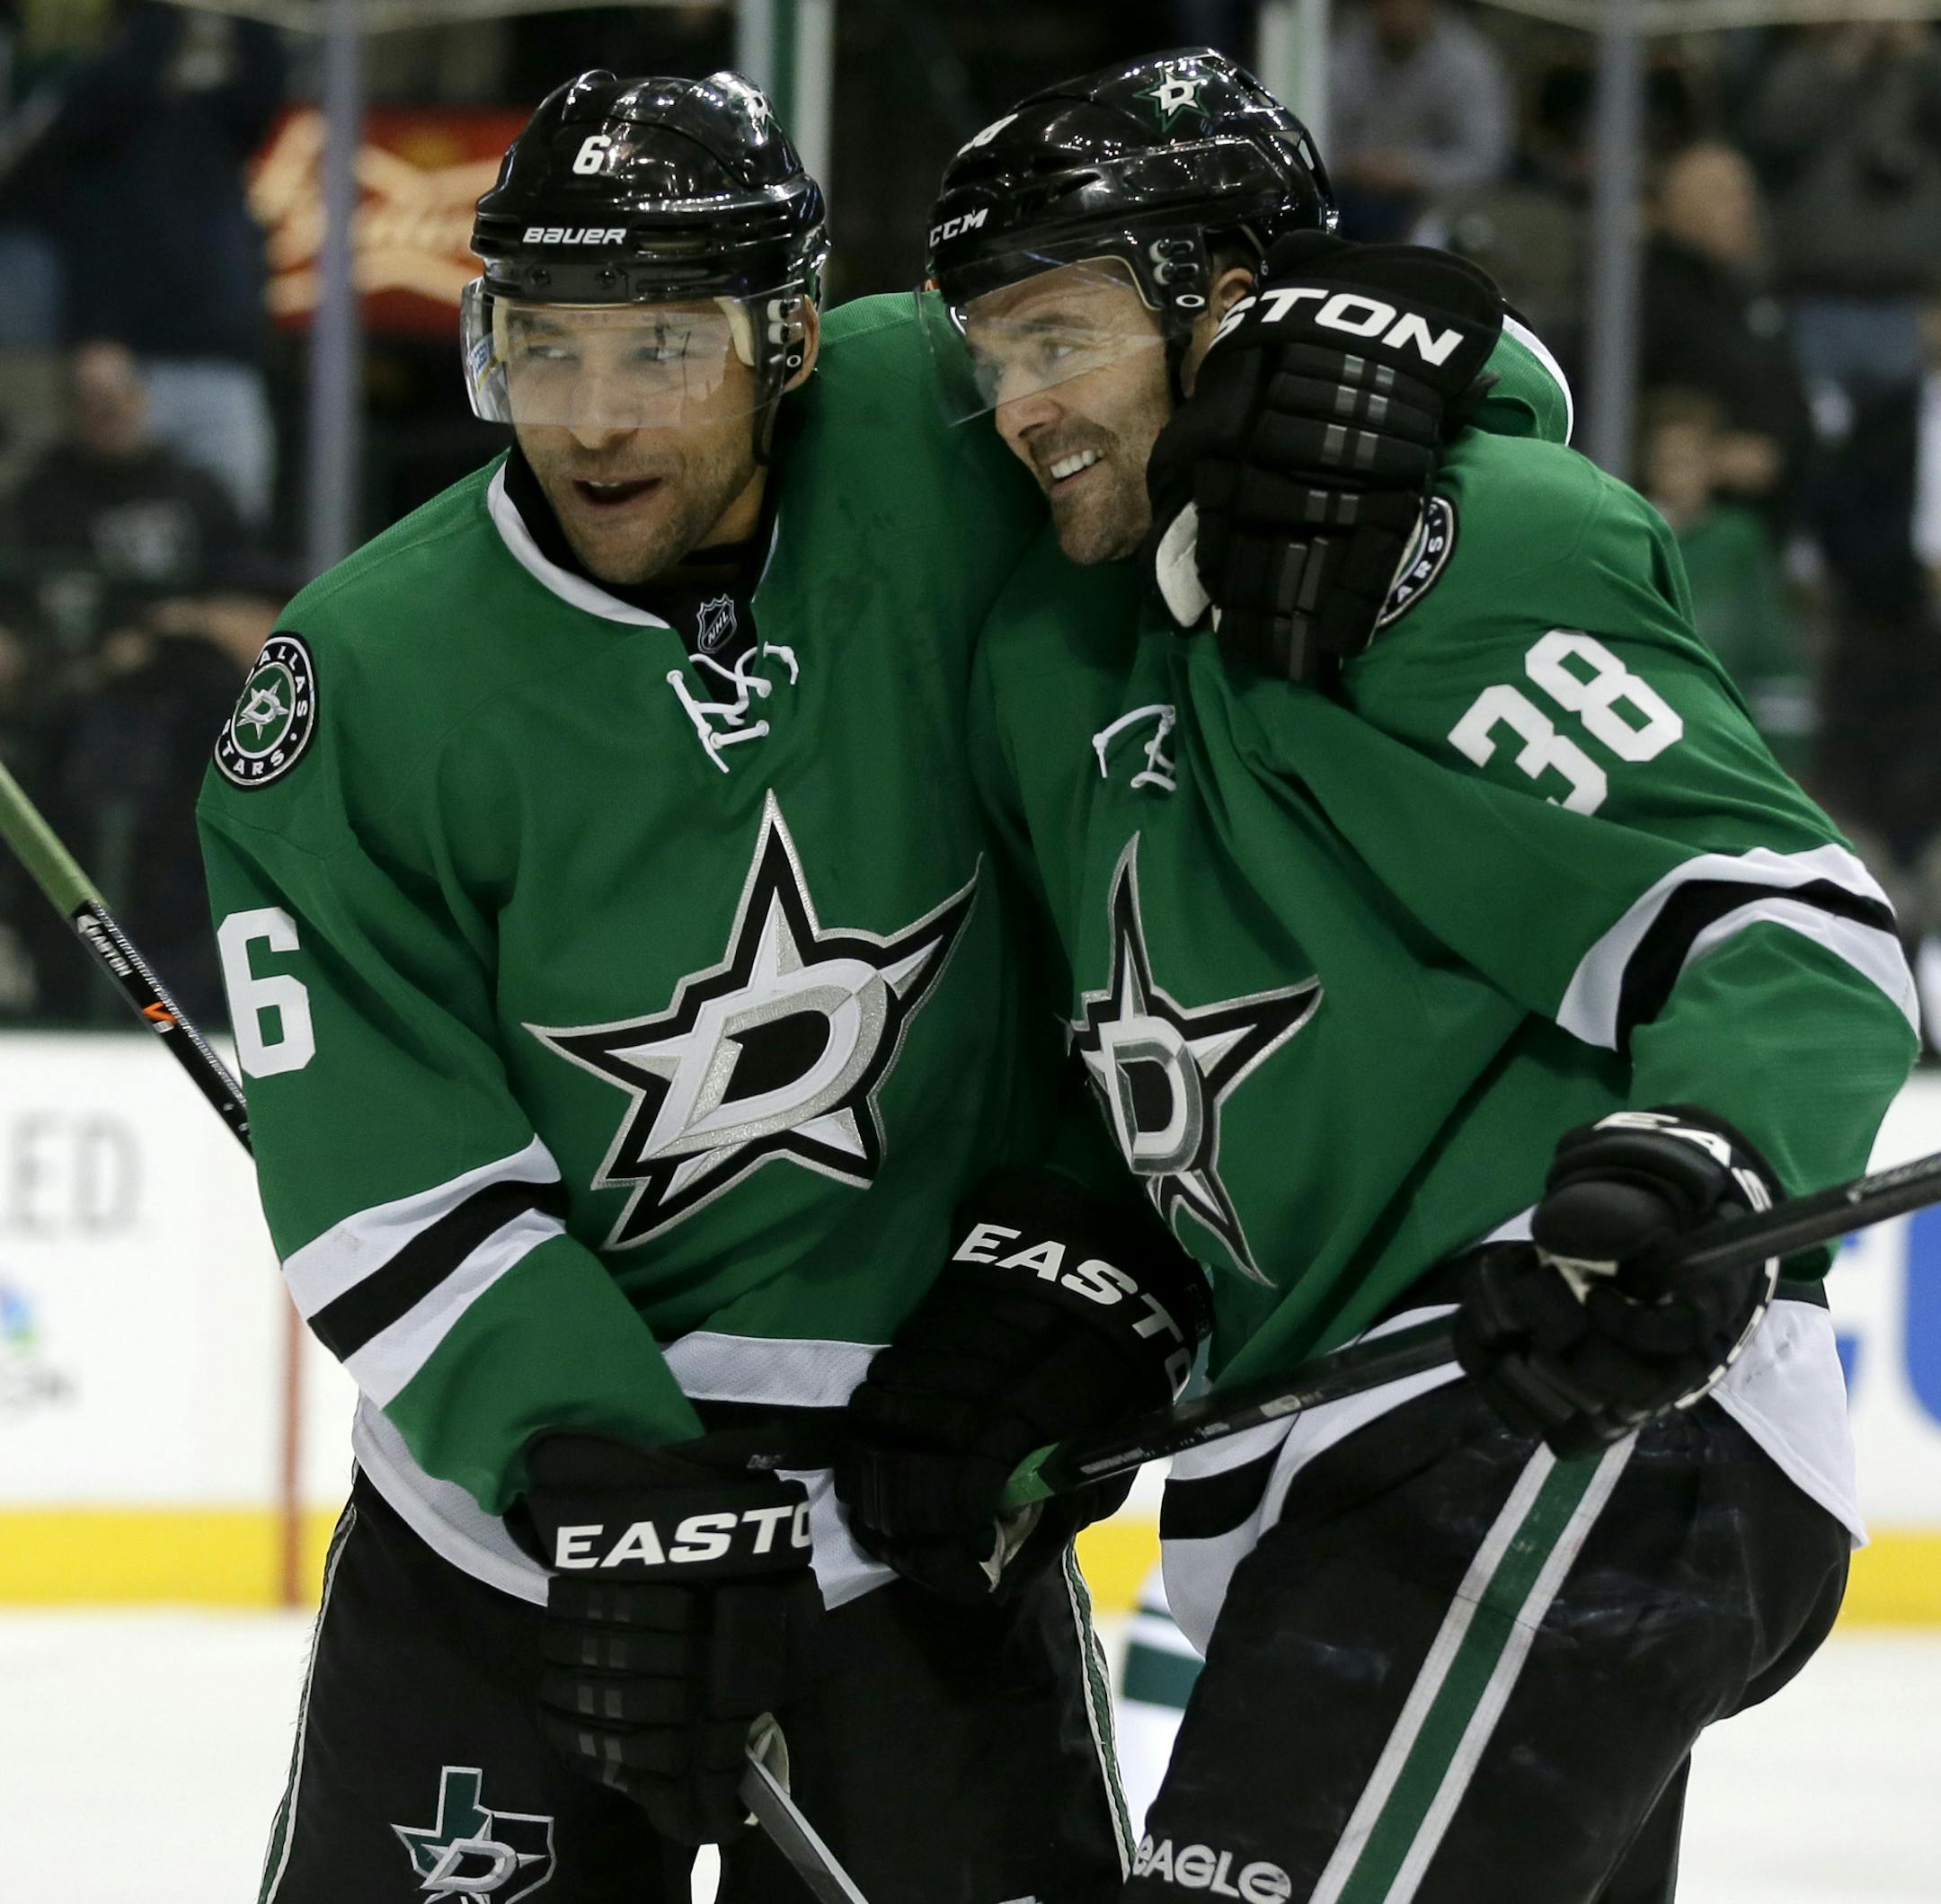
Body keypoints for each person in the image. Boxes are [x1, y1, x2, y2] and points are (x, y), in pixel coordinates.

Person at [840, 47, 1919, 1901]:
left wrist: (1686, 1171)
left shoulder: (1457, 540)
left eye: (1057, 335)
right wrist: (1068, 1286)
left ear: (1231, 301)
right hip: (1339, 1465)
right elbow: (1174, 1075)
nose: (1020, 406)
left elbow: (1786, 933)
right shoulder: (1048, 655)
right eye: (991, 356)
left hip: (1559, 1417)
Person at [198, 69, 1206, 1904]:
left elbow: (1279, 370)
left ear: (795, 337)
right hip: (522, 1548)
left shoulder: (940, 419)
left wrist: (1094, 1252)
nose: (589, 419)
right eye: (543, 346)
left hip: (923, 1494)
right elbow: (375, 1147)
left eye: (662, 346)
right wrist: (579, 1452)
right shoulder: (367, 674)